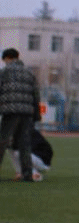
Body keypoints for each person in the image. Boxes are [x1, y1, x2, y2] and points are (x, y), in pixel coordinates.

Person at [0, 47, 41, 182]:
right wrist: (36, 114)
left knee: (2, 141)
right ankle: (27, 174)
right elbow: (36, 94)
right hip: (27, 112)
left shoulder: (4, 72)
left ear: (7, 58)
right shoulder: (29, 73)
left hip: (10, 111)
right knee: (24, 144)